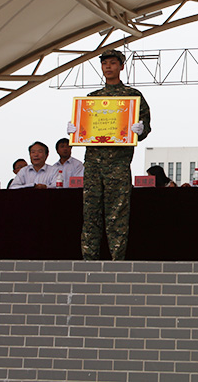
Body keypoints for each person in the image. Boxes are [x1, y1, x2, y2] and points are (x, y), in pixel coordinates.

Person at [68, 49, 151, 261]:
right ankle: (89, 261)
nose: (108, 67)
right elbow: (85, 127)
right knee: (90, 214)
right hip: (93, 164)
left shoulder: (132, 96)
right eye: (105, 63)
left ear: (121, 66)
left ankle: (117, 262)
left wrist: (140, 129)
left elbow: (146, 128)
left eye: (113, 63)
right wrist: (76, 131)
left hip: (118, 163)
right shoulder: (92, 98)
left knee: (118, 215)